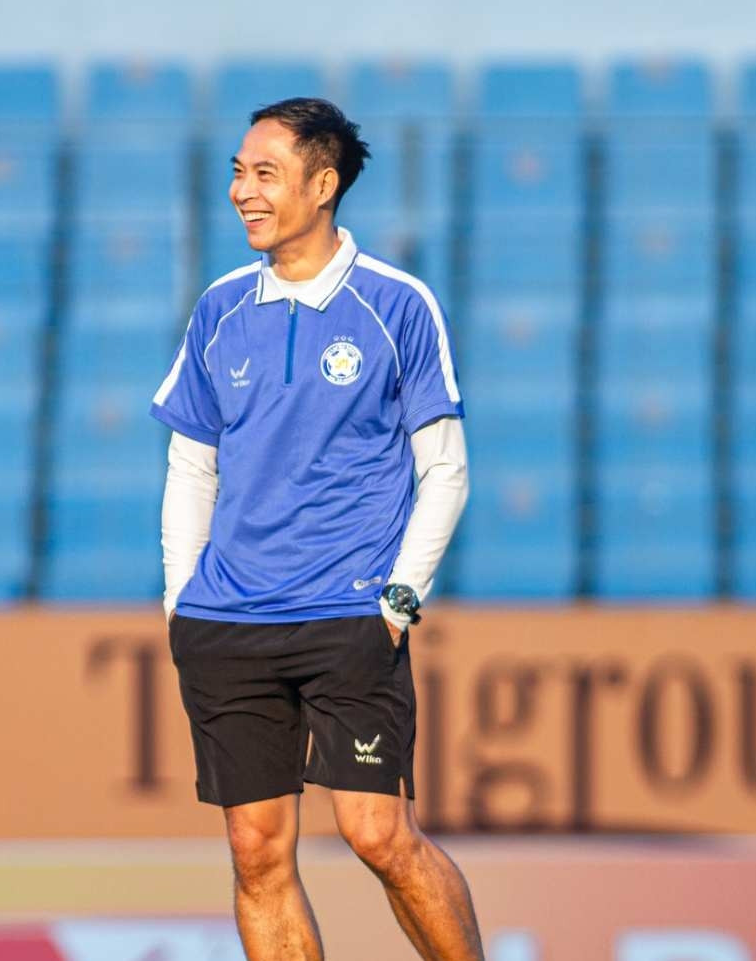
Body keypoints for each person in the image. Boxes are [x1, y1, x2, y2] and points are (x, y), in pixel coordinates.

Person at [150, 97, 483, 960]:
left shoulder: (397, 305)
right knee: (256, 852)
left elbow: (444, 469)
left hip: (348, 615)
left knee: (379, 834)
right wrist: (181, 596)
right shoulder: (221, 307)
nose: (242, 191)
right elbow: (191, 465)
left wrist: (400, 598)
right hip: (228, 621)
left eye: (264, 173)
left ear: (324, 184)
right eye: (237, 172)